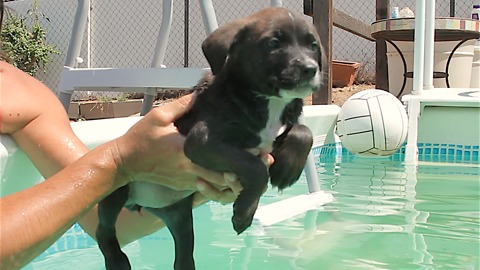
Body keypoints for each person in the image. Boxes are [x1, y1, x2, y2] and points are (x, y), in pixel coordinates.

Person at [0, 60, 273, 269]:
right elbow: (113, 167)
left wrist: (196, 180)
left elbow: (98, 214)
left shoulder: (22, 95)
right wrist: (120, 160)